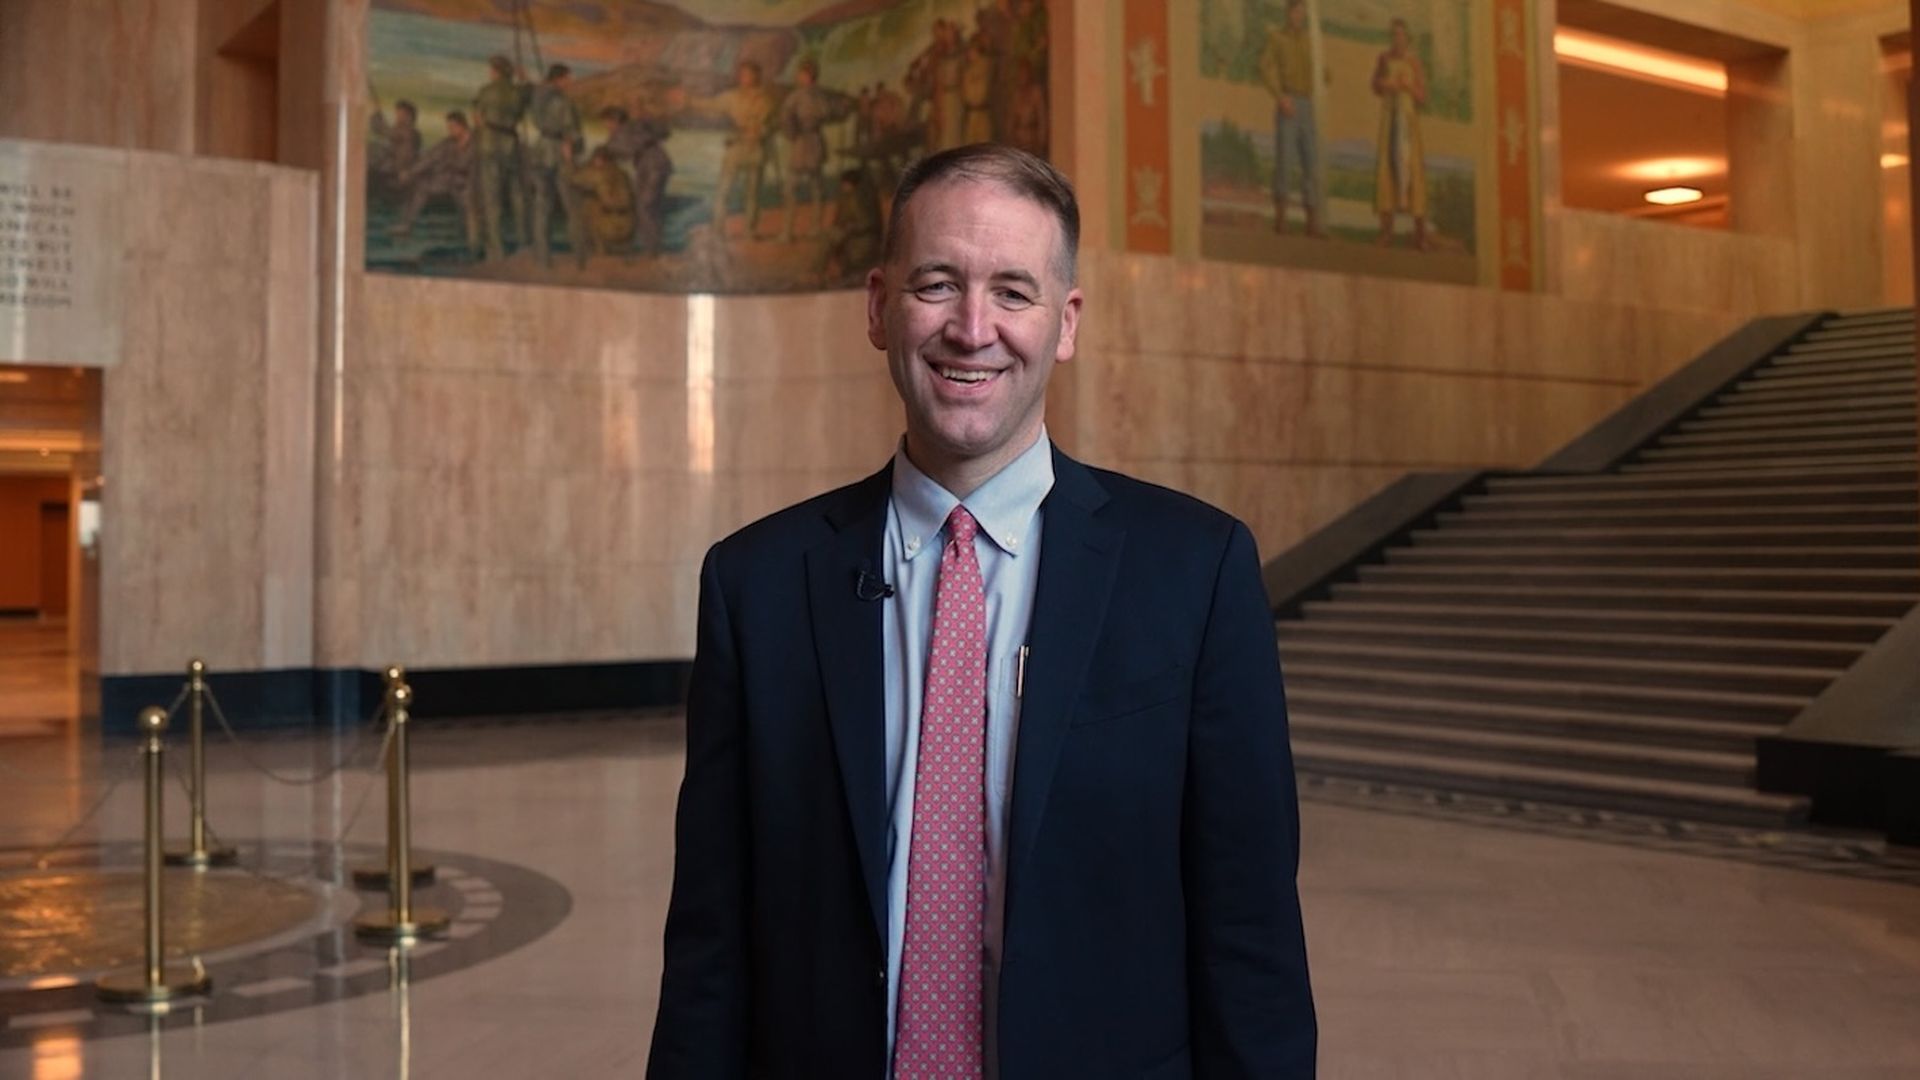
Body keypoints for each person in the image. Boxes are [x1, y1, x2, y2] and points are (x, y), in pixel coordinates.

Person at [648, 143, 1316, 1078]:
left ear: (1066, 323)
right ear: (879, 307)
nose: (973, 328)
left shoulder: (1195, 573)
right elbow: (710, 948)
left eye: (1013, 291)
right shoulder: (756, 585)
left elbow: (1251, 941)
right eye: (937, 284)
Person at [673, 60, 777, 241]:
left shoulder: (766, 99)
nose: (742, 78)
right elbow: (710, 104)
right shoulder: (732, 97)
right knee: (723, 190)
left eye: (747, 74)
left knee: (753, 192)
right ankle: (718, 229)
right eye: (741, 74)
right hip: (737, 146)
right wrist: (688, 100)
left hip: (756, 148)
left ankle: (749, 231)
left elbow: (771, 125)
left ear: (756, 76)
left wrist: (760, 132)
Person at [1260, 0, 1326, 237]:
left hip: (1307, 104)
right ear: (1288, 13)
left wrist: (1323, 76)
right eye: (1295, 11)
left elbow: (1322, 71)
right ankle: (1281, 219)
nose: (1298, 16)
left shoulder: (1310, 41)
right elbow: (1265, 67)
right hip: (1288, 102)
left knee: (1311, 163)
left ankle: (1312, 223)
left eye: (1302, 13)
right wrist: (1279, 96)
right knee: (1285, 162)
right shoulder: (1277, 38)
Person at [775, 58, 855, 243]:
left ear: (807, 76)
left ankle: (804, 229)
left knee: (808, 187)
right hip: (809, 141)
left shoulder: (802, 96)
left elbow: (786, 117)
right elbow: (787, 118)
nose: (798, 77)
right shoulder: (818, 96)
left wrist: (791, 134)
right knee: (804, 187)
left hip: (806, 142)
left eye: (801, 73)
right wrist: (844, 107)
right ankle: (796, 230)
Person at [1371, 17, 1429, 249]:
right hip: (1390, 119)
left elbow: (1422, 96)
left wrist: (1407, 86)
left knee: (1413, 171)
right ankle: (1386, 231)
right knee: (1387, 169)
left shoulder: (1414, 63)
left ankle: (1420, 234)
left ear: (1408, 38)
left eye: (1402, 35)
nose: (1398, 39)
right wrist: (1388, 84)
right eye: (1394, 34)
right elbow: (1375, 85)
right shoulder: (1384, 59)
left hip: (1407, 120)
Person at [388, 110, 480, 255]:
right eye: (449, 128)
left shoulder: (477, 143)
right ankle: (407, 224)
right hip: (449, 180)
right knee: (422, 186)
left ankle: (472, 243)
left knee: (468, 210)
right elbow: (430, 158)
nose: (450, 131)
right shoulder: (448, 143)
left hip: (470, 184)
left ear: (461, 126)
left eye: (452, 127)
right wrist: (410, 173)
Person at [472, 54, 532, 261]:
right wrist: (524, 80)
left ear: (496, 71)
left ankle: (496, 249)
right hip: (511, 145)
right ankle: (523, 242)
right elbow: (527, 98)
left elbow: (478, 119)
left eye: (491, 69)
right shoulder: (519, 92)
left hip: (490, 146)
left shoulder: (486, 91)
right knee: (517, 195)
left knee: (492, 198)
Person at [529, 63, 586, 268]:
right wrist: (575, 149)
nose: (570, 82)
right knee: (572, 206)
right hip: (560, 152)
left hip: (540, 151)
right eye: (568, 78)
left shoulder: (537, 96)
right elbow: (570, 130)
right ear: (559, 78)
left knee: (542, 205)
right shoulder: (562, 101)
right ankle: (580, 258)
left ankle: (543, 258)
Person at [600, 106, 674, 255]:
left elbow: (624, 151)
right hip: (649, 168)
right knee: (650, 208)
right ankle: (653, 248)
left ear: (615, 121)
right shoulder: (631, 128)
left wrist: (606, 152)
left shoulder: (625, 131)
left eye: (607, 122)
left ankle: (652, 250)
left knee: (645, 207)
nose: (605, 125)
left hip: (654, 168)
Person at [569, 146, 636, 256]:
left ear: (599, 159)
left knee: (589, 206)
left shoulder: (598, 173)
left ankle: (599, 250)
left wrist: (569, 159)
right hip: (627, 227)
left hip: (608, 229)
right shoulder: (623, 173)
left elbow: (573, 178)